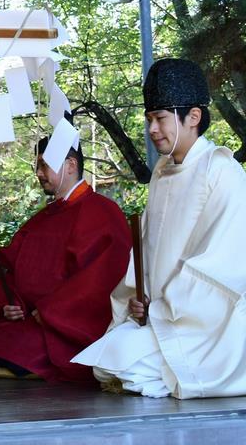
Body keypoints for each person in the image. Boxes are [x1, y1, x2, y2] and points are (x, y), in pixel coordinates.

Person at [73, 58, 246, 398]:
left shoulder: (221, 170)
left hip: (208, 326)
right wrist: (140, 297)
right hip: (162, 315)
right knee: (106, 360)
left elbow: (225, 266)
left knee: (122, 361)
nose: (152, 129)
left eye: (161, 119)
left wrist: (163, 307)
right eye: (150, 119)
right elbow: (148, 249)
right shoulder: (162, 172)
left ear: (193, 117)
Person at [0, 136, 131, 382]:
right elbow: (13, 273)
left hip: (66, 327)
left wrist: (51, 311)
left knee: (7, 352)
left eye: (44, 165)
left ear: (71, 165)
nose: (39, 173)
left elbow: (100, 280)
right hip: (32, 319)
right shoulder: (43, 219)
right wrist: (12, 304)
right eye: (38, 166)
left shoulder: (103, 212)